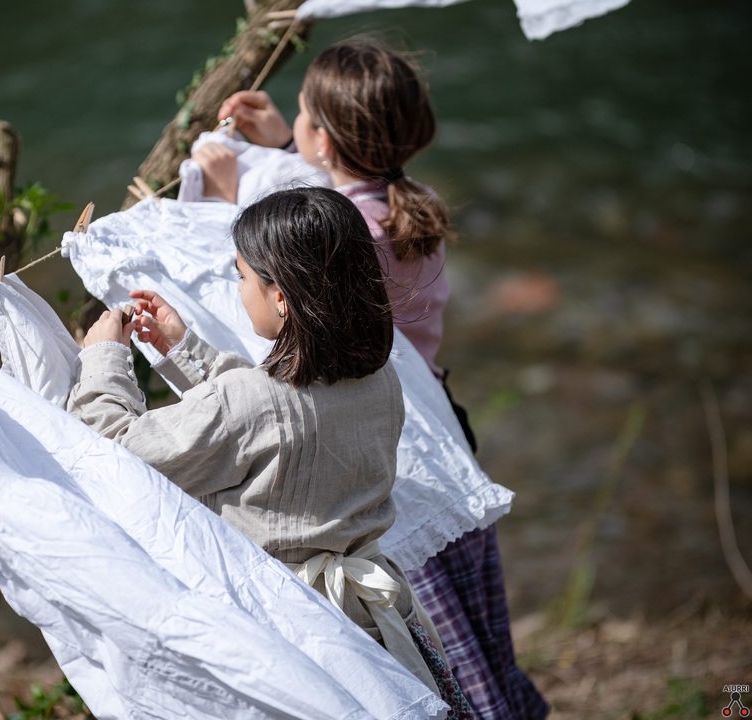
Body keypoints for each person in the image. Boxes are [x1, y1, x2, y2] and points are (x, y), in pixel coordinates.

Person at [201, 43, 549, 720]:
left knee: (430, 628)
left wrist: (227, 200)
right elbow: (336, 200)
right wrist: (289, 142)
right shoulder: (412, 203)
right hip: (441, 427)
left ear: (325, 142)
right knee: (476, 628)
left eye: (303, 114)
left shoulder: (345, 232)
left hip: (386, 452)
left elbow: (283, 280)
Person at [68, 187, 476, 719]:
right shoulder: (380, 378)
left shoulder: (249, 403)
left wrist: (103, 358)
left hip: (288, 626)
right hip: (375, 619)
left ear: (280, 297)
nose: (239, 289)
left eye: (241, 276)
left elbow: (114, 451)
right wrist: (186, 349)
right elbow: (273, 418)